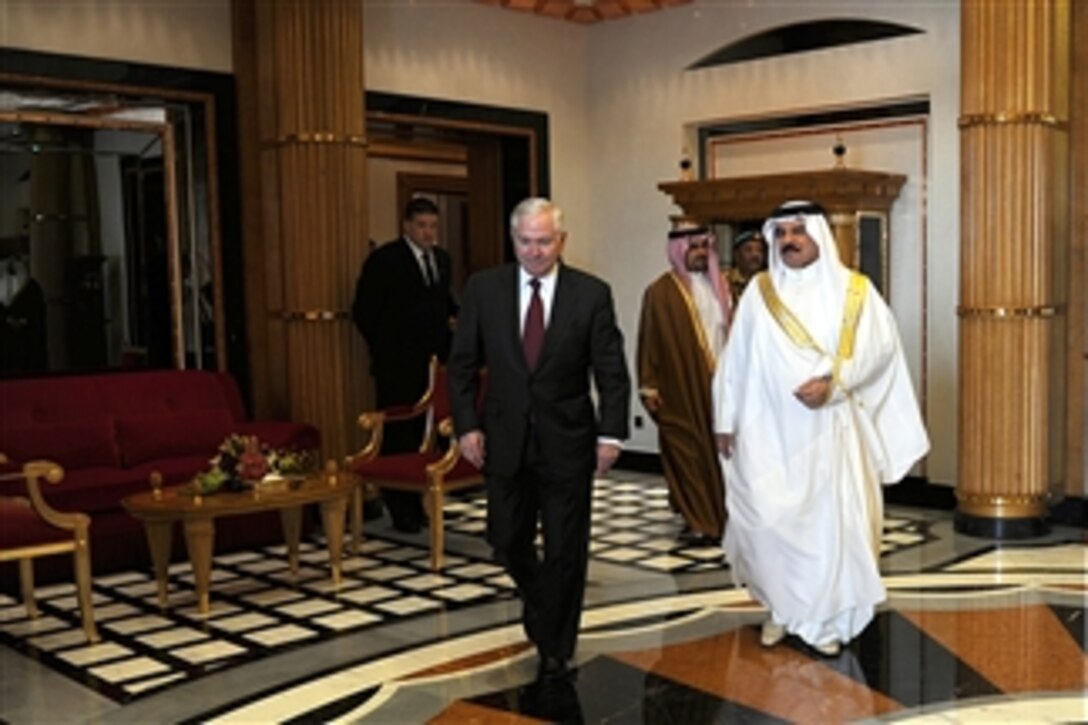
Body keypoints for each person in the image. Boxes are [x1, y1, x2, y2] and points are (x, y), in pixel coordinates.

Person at [712, 200, 928, 656]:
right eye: (782, 233)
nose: (789, 240)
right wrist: (724, 418)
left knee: (828, 527)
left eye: (798, 231)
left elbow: (879, 351)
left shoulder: (856, 291)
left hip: (830, 431)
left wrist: (835, 383)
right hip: (765, 432)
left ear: (819, 236)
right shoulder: (760, 292)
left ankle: (824, 620)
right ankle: (780, 610)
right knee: (768, 521)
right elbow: (735, 360)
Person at [447, 197, 630, 682]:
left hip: (569, 441)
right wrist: (467, 425)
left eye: (544, 241)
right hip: (503, 440)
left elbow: (611, 372)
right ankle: (544, 606)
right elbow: (462, 364)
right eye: (525, 241)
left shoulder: (591, 294)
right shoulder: (484, 289)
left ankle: (556, 645)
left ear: (561, 241)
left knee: (566, 547)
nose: (534, 250)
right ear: (514, 240)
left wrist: (611, 434)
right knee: (505, 538)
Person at [352, 197, 457, 533]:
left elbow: (442, 303)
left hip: (435, 363)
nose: (428, 233)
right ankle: (401, 508)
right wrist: (387, 348)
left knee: (431, 434)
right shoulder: (385, 260)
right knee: (401, 435)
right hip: (397, 364)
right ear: (407, 226)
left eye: (433, 227)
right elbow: (365, 311)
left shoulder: (441, 260)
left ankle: (427, 502)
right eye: (422, 226)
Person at [637, 221, 730, 543]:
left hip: (722, 388)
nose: (701, 254)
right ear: (678, 250)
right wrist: (648, 385)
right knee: (687, 454)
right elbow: (649, 340)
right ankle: (699, 519)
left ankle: (721, 515)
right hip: (680, 387)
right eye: (694, 248)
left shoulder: (721, 287)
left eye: (705, 247)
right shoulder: (660, 292)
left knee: (719, 457)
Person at [726, 229, 767, 301]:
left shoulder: (767, 281)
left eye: (759, 250)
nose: (755, 255)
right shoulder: (725, 282)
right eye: (748, 250)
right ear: (736, 255)